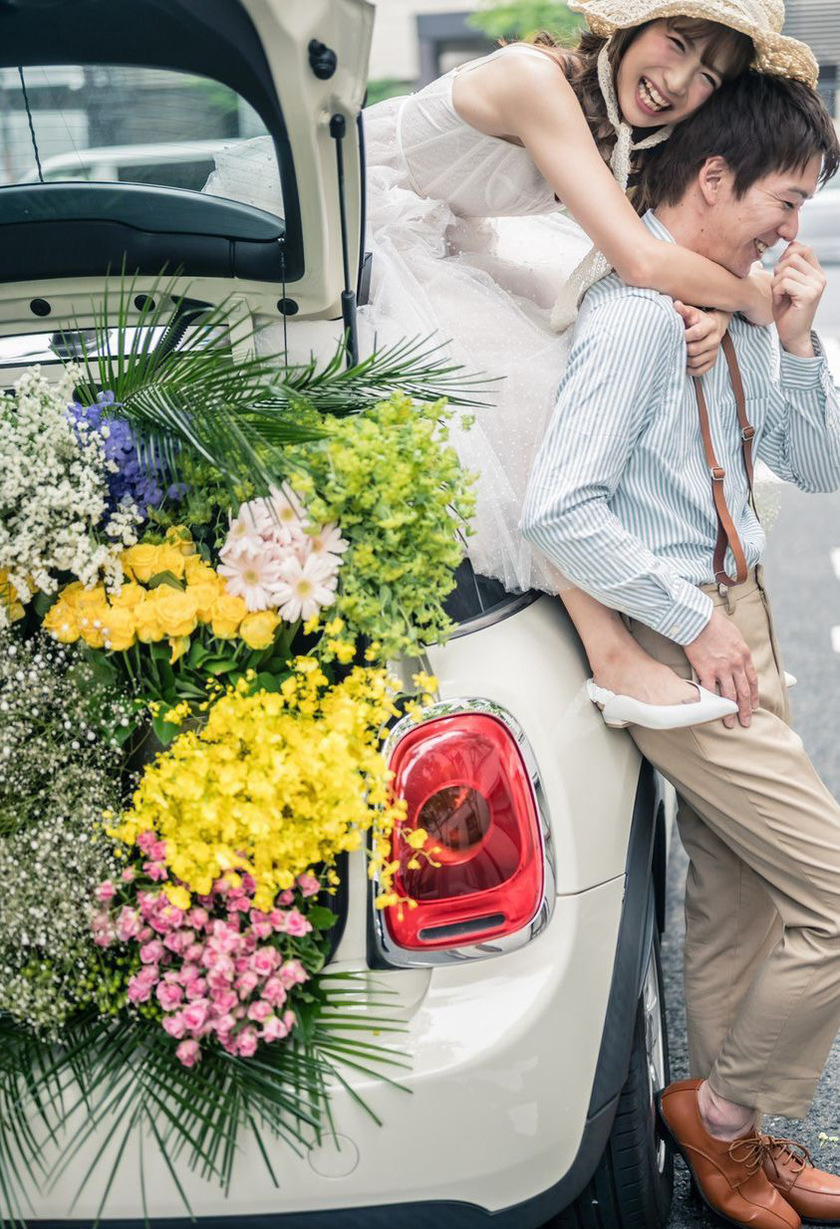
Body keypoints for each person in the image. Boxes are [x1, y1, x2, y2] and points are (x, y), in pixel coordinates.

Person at [205, 0, 819, 729]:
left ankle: (663, 561)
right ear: (627, 25)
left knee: (606, 349)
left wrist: (712, 309)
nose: (678, 80)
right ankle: (610, 649)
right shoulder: (534, 79)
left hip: (451, 244)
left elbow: (660, 255)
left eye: (709, 76)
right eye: (676, 42)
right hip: (352, 238)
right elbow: (642, 258)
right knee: (544, 386)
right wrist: (749, 297)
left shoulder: (635, 130)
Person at [522, 68, 840, 1229]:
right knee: (832, 893)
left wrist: (796, 341)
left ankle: (739, 1139)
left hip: (736, 605)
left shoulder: (739, 302)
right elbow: (561, 508)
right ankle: (723, 1109)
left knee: (742, 888)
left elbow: (814, 469)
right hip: (677, 628)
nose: (792, 229)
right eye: (787, 199)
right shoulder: (633, 317)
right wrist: (694, 620)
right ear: (715, 176)